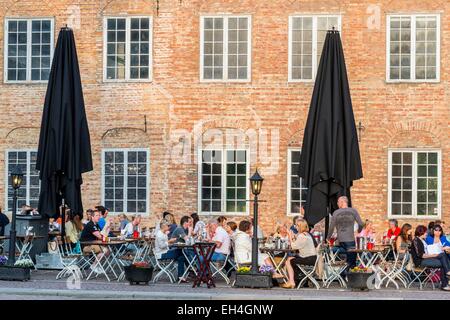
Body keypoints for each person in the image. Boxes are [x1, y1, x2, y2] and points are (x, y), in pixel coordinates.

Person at [326, 196, 364, 270]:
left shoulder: (336, 212)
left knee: (343, 260)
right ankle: (350, 279)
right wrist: (359, 231)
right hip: (350, 240)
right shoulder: (353, 211)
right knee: (352, 263)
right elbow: (361, 224)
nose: (337, 203)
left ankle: (343, 275)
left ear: (342, 202)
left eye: (338, 202)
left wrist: (328, 238)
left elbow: (331, 227)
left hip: (340, 242)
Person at [410, 225, 450, 291]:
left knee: (443, 257)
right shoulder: (416, 240)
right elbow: (421, 255)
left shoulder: (421, 240)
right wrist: (435, 255)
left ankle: (446, 281)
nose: (427, 233)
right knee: (443, 257)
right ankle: (446, 278)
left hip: (426, 259)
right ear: (421, 232)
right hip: (421, 261)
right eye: (425, 232)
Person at [282, 220, 318, 289]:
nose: (295, 227)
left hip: (308, 259)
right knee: (289, 259)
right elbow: (297, 244)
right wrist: (293, 237)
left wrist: (289, 235)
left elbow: (293, 247)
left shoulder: (302, 236)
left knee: (289, 261)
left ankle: (292, 282)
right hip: (312, 258)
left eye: (296, 226)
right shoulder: (306, 234)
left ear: (300, 226)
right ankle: (292, 281)